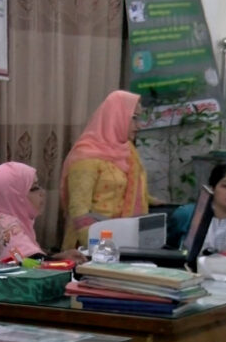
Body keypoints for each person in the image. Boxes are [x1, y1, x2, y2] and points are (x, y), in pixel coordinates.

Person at [59, 89, 157, 250]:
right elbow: (79, 209)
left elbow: (131, 187)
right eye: (134, 118)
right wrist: (99, 249)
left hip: (123, 242)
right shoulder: (86, 156)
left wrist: (153, 201)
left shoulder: (127, 150)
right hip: (90, 247)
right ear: (116, 116)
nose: (139, 125)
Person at [0, 162, 86, 266]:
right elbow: (30, 263)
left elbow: (21, 259)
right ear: (13, 196)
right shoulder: (4, 226)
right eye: (34, 188)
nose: (42, 193)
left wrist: (58, 258)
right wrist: (63, 263)